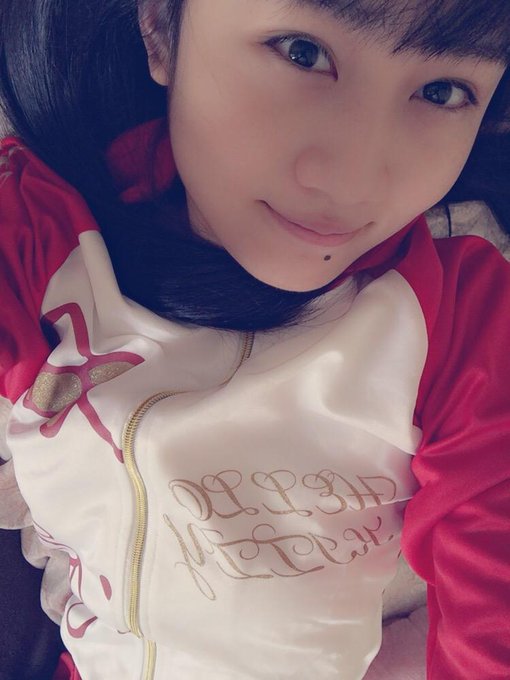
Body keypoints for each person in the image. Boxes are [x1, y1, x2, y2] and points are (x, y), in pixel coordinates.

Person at [0, 0, 509, 678]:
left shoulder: (465, 319)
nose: (353, 181)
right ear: (160, 28)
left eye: (442, 91)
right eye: (301, 52)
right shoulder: (37, 239)